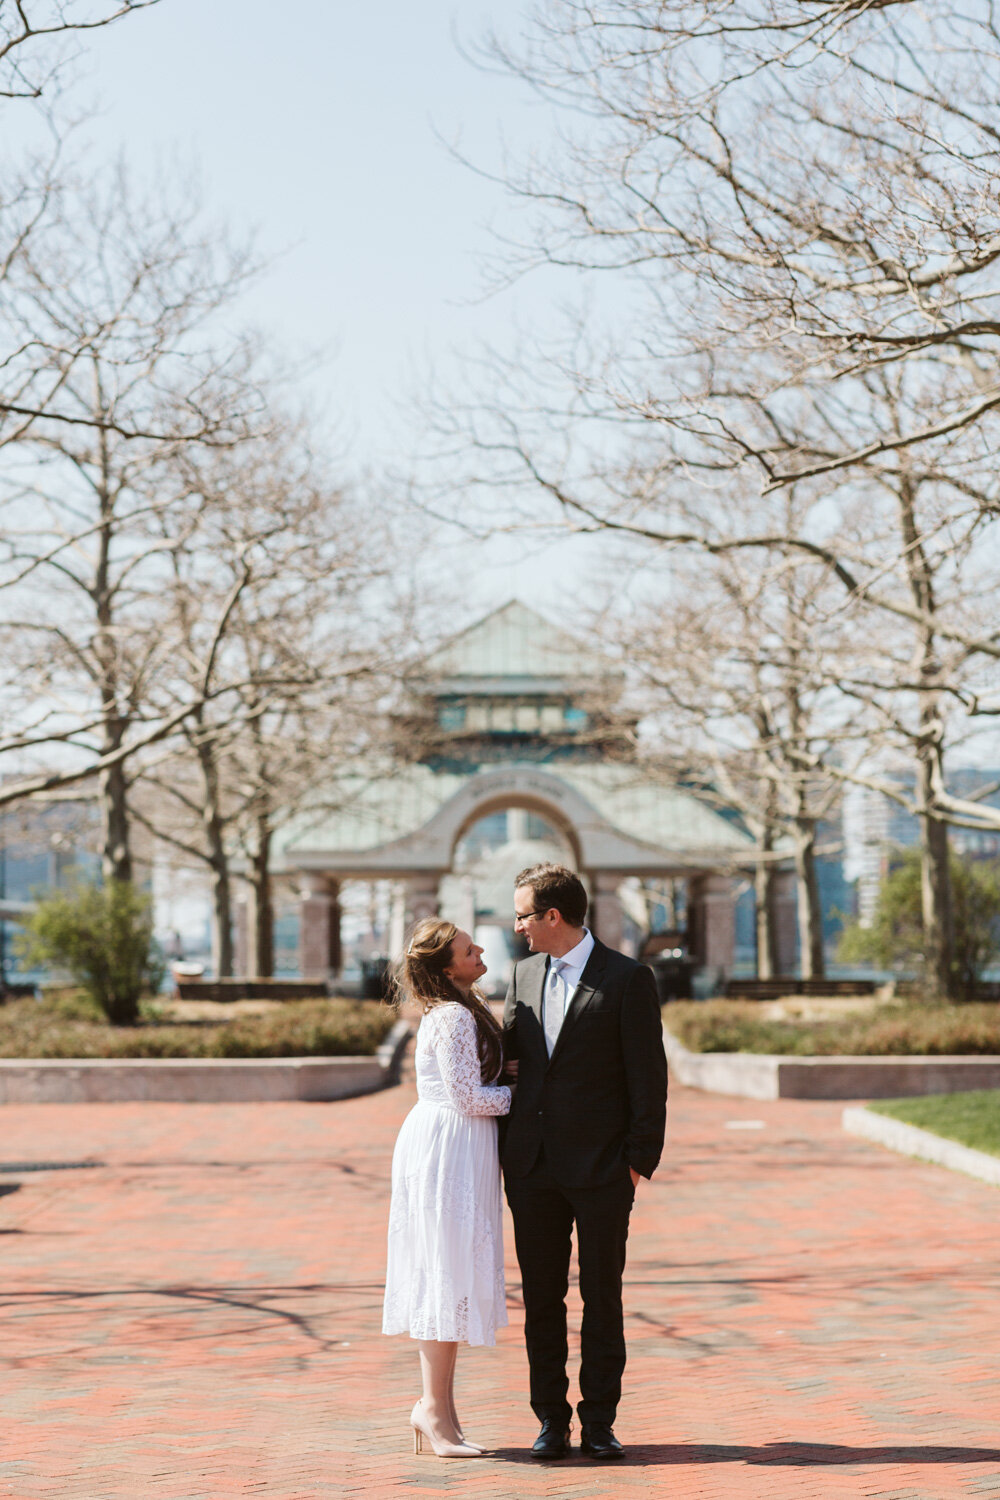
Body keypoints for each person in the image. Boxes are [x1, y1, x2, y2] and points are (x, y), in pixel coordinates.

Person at [502, 863, 667, 1462]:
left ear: (552, 916)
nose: (516, 925)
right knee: (542, 1299)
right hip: (532, 1170)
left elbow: (649, 1077)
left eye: (522, 914)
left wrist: (636, 1163)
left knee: (603, 1296)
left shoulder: (627, 979)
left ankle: (599, 1420)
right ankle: (550, 1418)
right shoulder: (520, 975)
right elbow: (511, 1061)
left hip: (602, 1170)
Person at [382, 917, 511, 1458]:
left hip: (456, 1145)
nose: (480, 948)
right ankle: (434, 1412)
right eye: (467, 947)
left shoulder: (458, 1010)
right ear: (445, 967)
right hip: (449, 1146)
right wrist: (528, 1099)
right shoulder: (454, 1016)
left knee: (450, 1276)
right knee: (444, 1275)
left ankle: (441, 1412)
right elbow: (468, 1098)